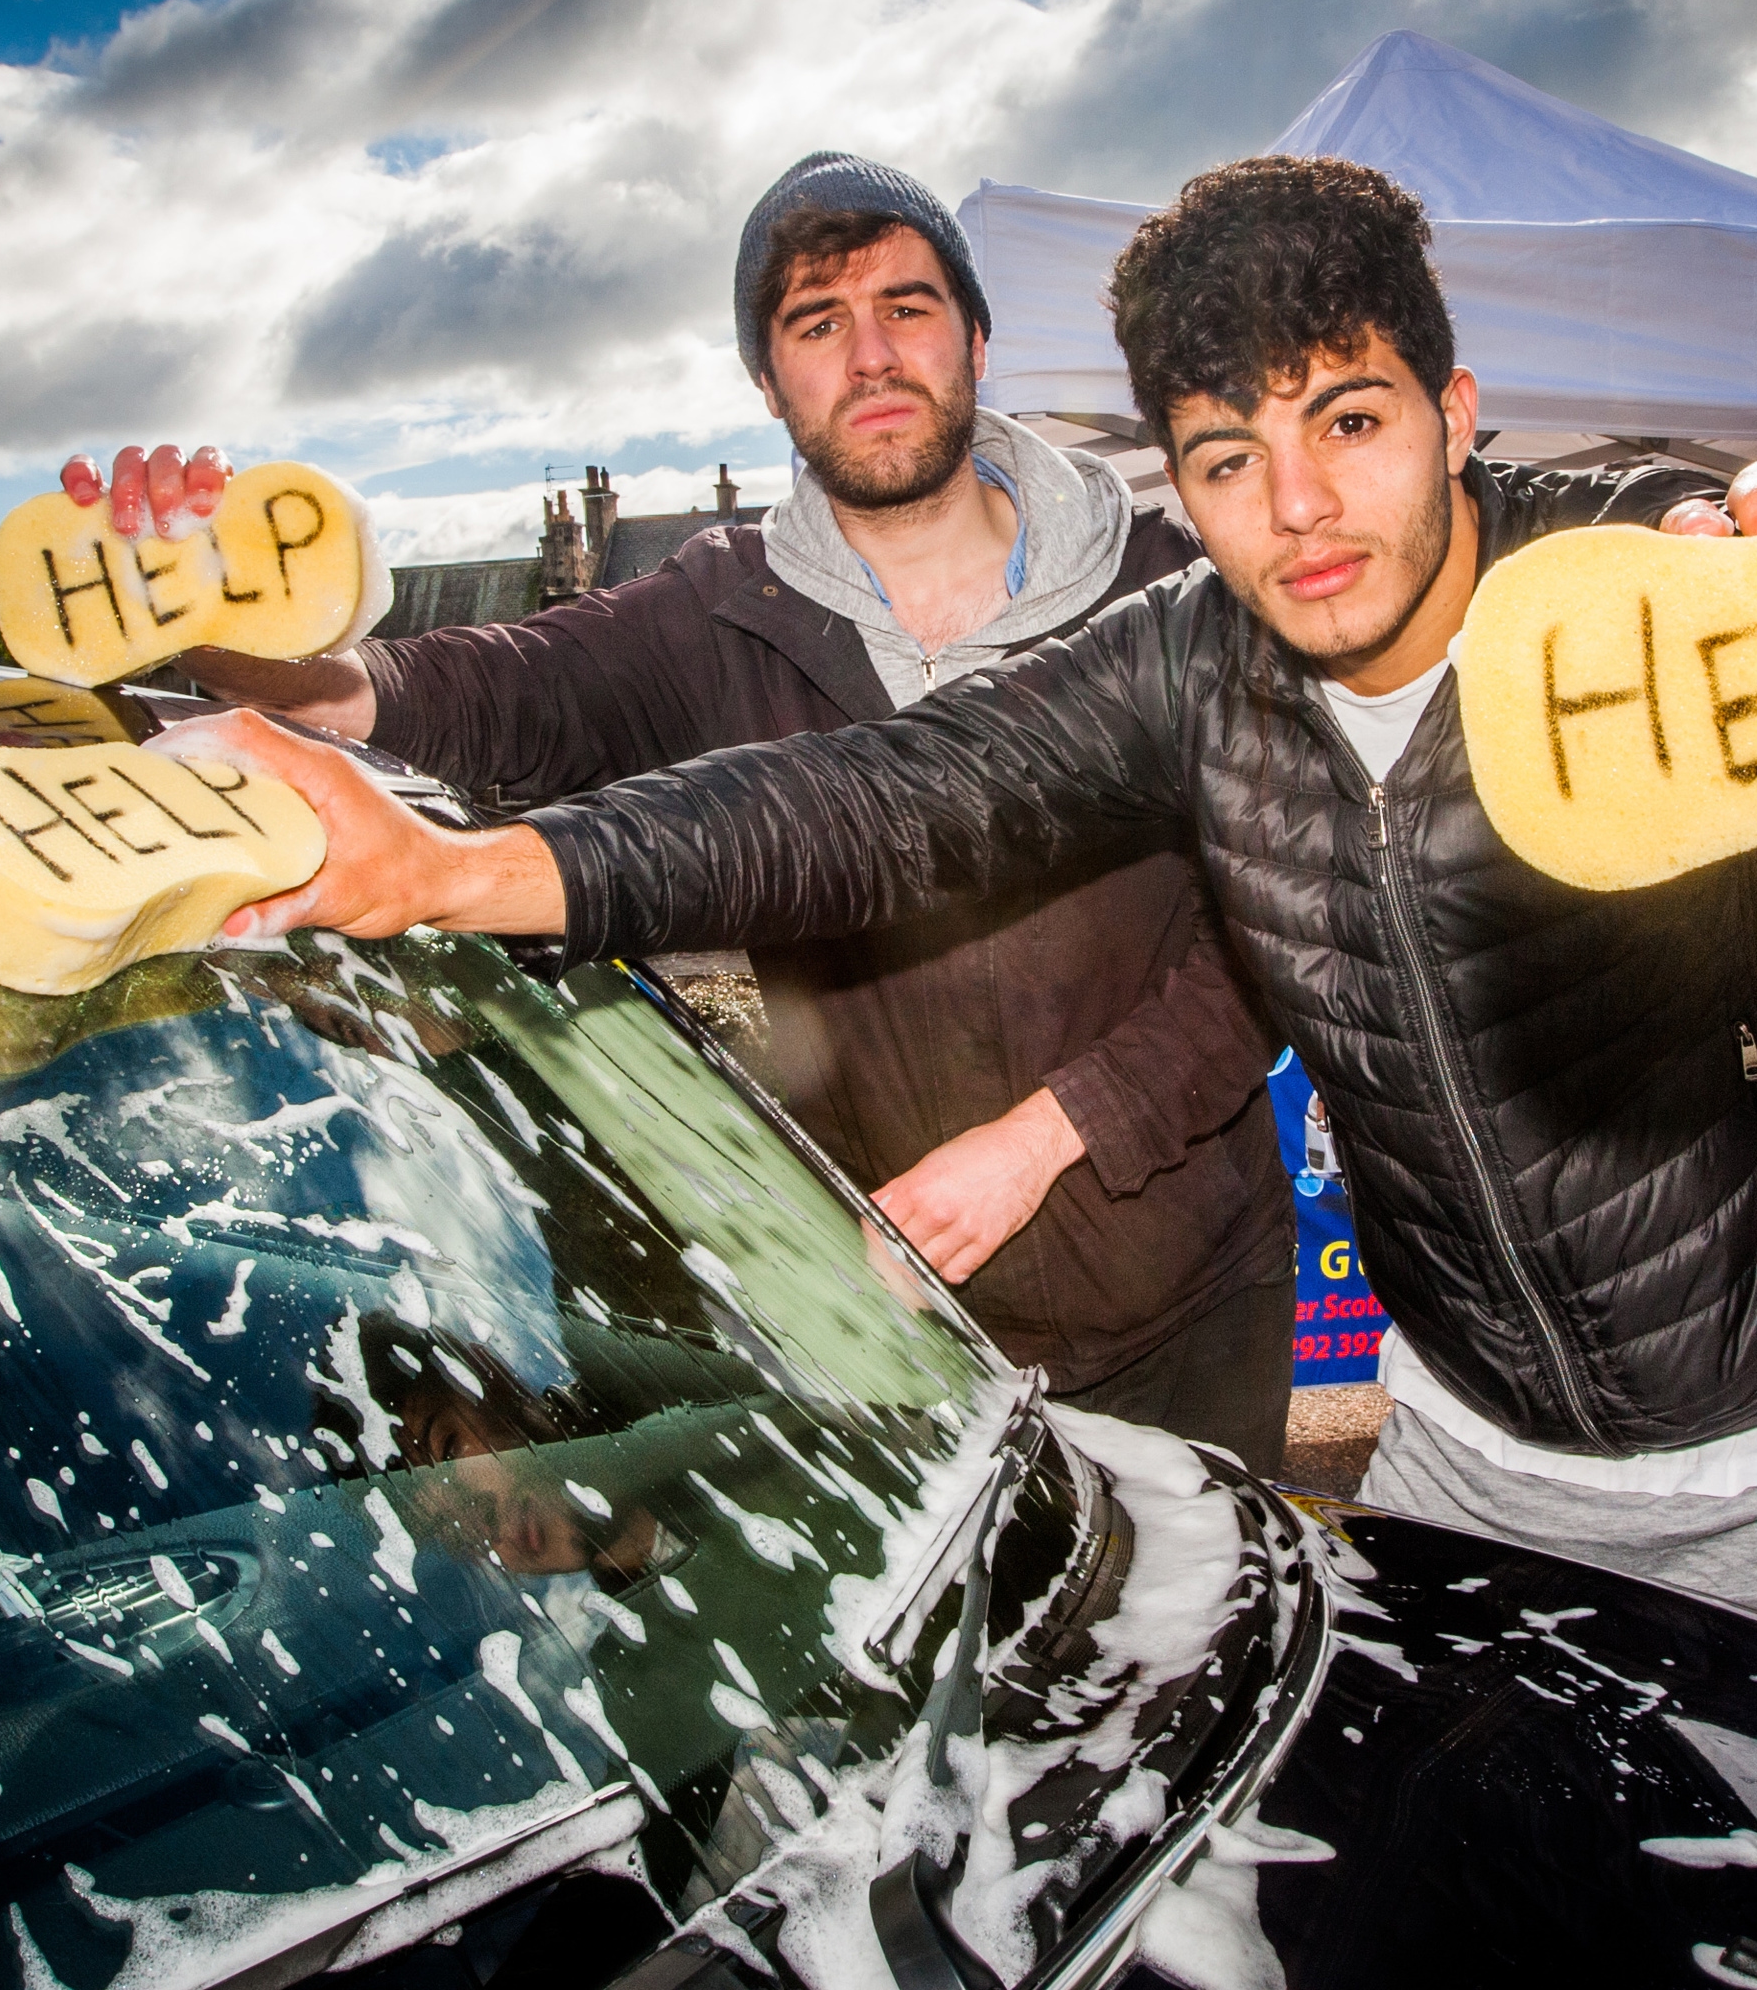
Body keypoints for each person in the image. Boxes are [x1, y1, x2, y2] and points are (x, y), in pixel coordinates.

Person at [155, 156, 1757, 1657]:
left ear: (1460, 415)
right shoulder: (1183, 663)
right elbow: (871, 802)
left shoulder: (1635, 586)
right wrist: (447, 869)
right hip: (1478, 1464)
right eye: (1229, 456)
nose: (1298, 512)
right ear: (1178, 480)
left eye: (1354, 423)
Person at [64, 153, 1296, 1478]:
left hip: (1192, 1308)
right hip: (912, 1333)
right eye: (817, 325)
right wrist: (225, 628)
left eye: (908, 306)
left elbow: (1274, 942)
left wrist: (1051, 1131)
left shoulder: (1174, 591)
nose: (870, 354)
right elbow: (471, 695)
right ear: (770, 383)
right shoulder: (714, 616)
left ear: (978, 339)